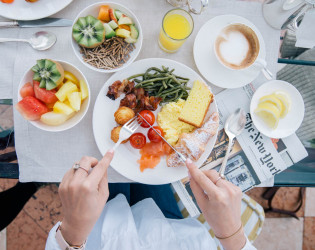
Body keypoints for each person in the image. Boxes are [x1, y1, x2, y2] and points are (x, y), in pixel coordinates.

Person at [45, 150, 256, 250]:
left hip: (94, 236)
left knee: (97, 152)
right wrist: (233, 237)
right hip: (170, 229)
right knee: (146, 156)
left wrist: (73, 231)